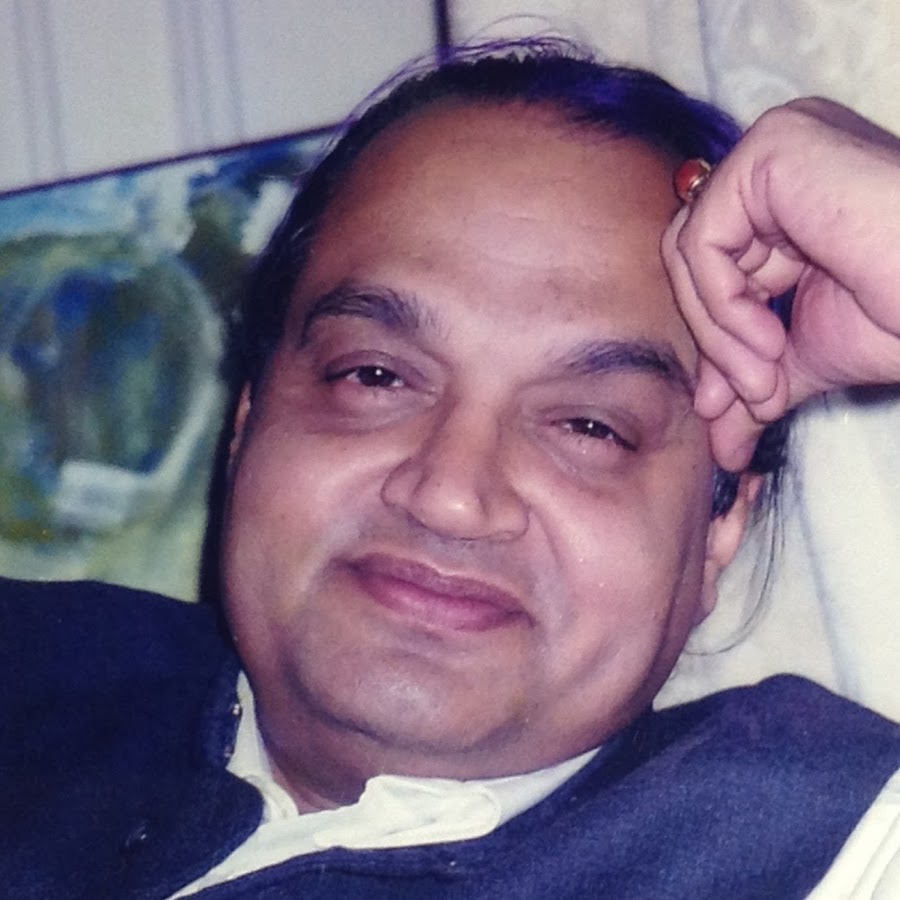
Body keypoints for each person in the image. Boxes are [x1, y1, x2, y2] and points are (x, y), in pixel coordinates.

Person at [2, 40, 899, 899]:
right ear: (249, 420)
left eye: (589, 426)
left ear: (718, 527)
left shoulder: (837, 845)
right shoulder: (37, 673)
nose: (450, 496)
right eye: (375, 376)